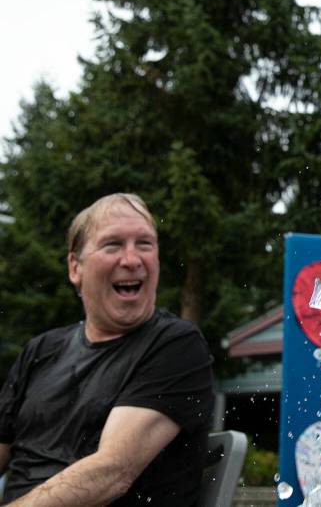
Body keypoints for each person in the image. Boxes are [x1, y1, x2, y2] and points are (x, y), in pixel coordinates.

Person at [0, 193, 215, 506]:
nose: (131, 259)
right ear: (75, 267)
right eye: (113, 244)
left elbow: (112, 472)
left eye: (145, 244)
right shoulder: (40, 351)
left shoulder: (176, 346)